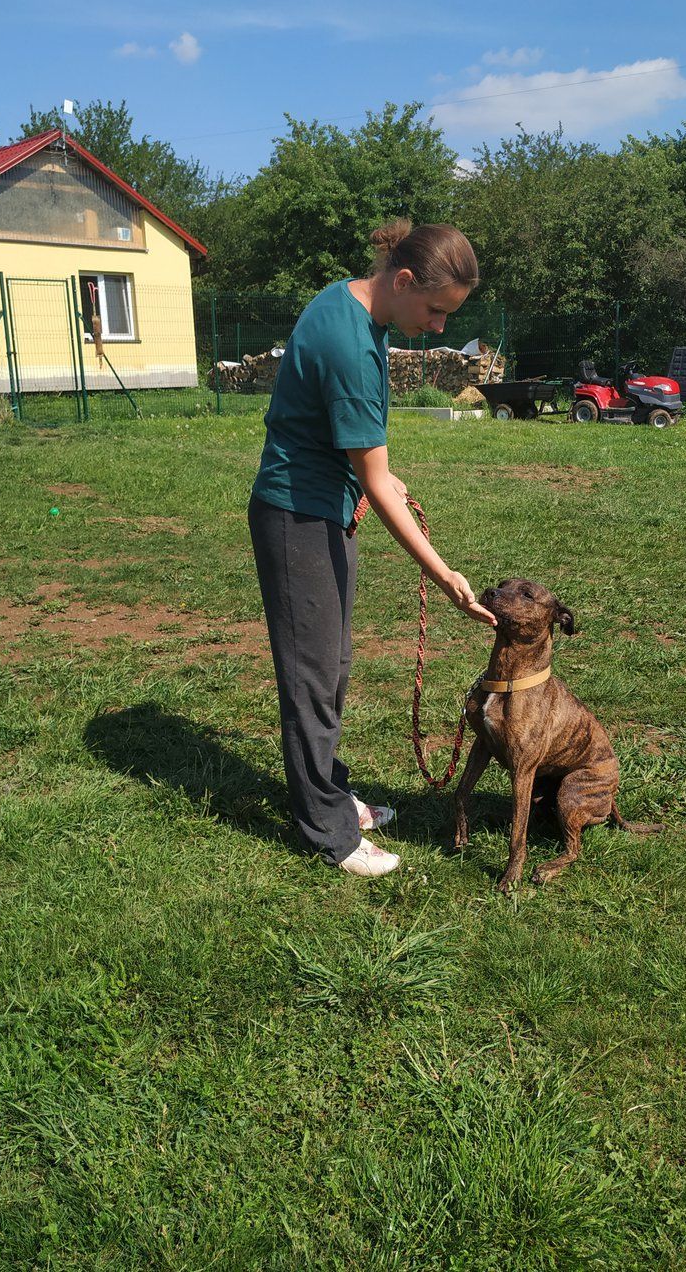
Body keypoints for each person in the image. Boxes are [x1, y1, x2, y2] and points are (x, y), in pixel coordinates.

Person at [249, 219, 496, 878]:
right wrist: (446, 576)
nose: (441, 328)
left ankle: (329, 793)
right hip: (296, 518)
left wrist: (376, 477)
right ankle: (328, 835)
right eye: (437, 311)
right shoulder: (351, 343)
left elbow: (354, 451)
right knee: (311, 682)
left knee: (329, 666)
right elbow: (375, 480)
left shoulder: (354, 308)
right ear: (404, 279)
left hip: (324, 510)